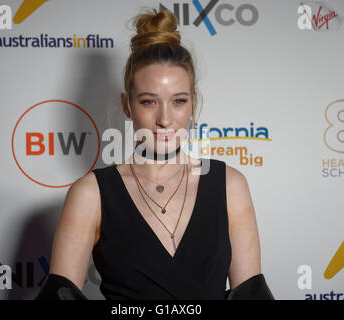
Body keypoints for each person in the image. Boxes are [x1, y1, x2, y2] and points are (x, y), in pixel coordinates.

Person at [35, 8, 274, 300]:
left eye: (178, 101)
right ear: (128, 105)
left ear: (192, 104)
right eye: (149, 101)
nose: (164, 118)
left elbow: (251, 295)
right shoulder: (90, 194)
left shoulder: (230, 185)